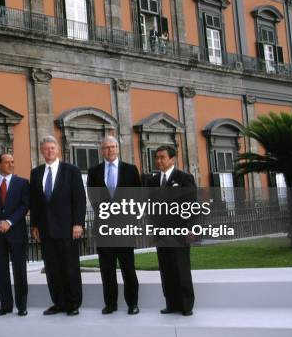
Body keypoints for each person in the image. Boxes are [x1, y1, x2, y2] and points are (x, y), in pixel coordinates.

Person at [30, 135, 86, 316]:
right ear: (41, 151)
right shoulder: (36, 172)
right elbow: (35, 202)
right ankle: (58, 302)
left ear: (58, 150)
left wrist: (78, 223)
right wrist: (35, 225)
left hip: (68, 228)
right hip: (46, 229)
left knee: (70, 268)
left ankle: (73, 304)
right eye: (45, 149)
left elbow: (79, 199)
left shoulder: (71, 171)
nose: (49, 151)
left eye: (52, 148)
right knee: (52, 269)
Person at [87, 136, 141, 315]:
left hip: (125, 226)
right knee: (107, 269)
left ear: (118, 148)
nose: (110, 150)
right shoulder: (94, 171)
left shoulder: (130, 170)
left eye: (113, 146)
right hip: (104, 227)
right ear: (101, 150)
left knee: (128, 268)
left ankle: (132, 303)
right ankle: (110, 304)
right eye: (106, 148)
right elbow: (93, 197)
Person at [147, 145, 196, 316]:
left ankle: (186, 305)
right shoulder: (153, 181)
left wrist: (190, 228)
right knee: (166, 269)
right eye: (157, 157)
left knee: (181, 268)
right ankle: (171, 303)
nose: (159, 161)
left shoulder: (184, 178)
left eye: (162, 157)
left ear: (172, 159)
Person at [0, 153, 30, 317]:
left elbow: (24, 206)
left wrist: (9, 222)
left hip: (16, 232)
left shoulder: (22, 183)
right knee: (0, 271)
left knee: (19, 271)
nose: (11, 164)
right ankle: (5, 305)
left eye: (12, 162)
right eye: (7, 162)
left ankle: (22, 305)